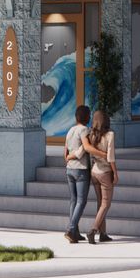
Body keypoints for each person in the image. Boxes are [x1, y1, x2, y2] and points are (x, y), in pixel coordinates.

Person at [86, 109, 118, 243]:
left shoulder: (91, 133)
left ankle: (103, 233)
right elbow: (110, 157)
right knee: (106, 204)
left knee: (100, 203)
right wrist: (115, 173)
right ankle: (93, 230)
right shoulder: (110, 134)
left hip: (94, 172)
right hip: (105, 172)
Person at [63, 104, 93, 243]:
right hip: (80, 169)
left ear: (76, 117)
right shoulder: (84, 130)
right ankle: (70, 228)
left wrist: (69, 158)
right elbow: (86, 147)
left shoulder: (70, 130)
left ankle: (75, 232)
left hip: (69, 169)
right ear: (87, 117)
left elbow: (65, 153)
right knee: (81, 201)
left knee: (73, 201)